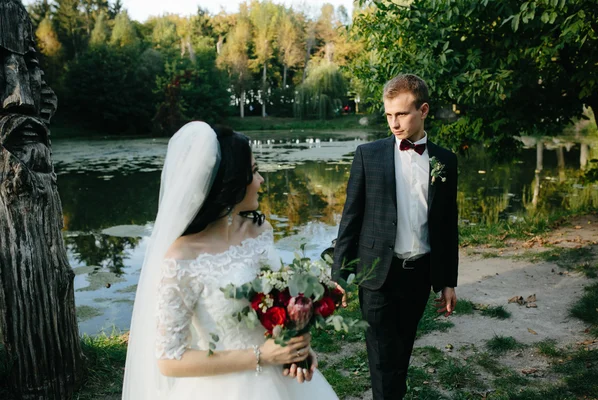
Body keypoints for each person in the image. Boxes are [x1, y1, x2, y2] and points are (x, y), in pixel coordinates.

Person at [122, 121, 338, 399]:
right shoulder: (182, 257)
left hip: (284, 380)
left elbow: (280, 298)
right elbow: (169, 360)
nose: (261, 181)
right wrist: (261, 356)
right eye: (254, 172)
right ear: (232, 183)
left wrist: (295, 346)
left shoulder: (260, 231)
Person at [332, 74, 459, 399]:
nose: (394, 122)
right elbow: (351, 217)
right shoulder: (368, 155)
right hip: (377, 276)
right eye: (389, 115)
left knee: (401, 353)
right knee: (382, 360)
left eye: (401, 114)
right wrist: (339, 273)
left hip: (419, 276)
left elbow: (447, 225)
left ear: (424, 110)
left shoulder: (444, 161)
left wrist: (448, 280)